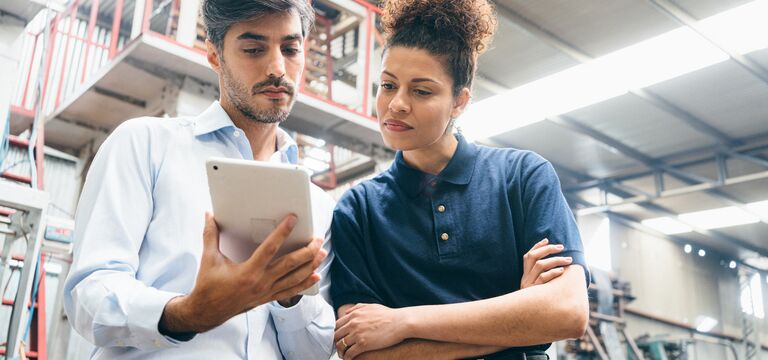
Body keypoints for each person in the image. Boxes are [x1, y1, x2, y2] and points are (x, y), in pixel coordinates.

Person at [63, 1, 336, 359]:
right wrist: (187, 313)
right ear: (214, 53)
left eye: (290, 49)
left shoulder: (319, 206)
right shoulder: (146, 145)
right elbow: (89, 297)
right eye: (254, 49)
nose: (277, 68)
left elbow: (311, 353)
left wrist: (289, 296)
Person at [330, 1, 590, 359]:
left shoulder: (524, 177)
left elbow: (568, 312)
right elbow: (362, 351)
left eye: (421, 91)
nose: (397, 104)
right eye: (388, 85)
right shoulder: (356, 211)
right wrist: (519, 320)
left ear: (460, 101)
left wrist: (404, 323)